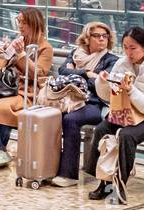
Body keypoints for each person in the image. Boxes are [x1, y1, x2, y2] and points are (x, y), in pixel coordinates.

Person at [85, 26, 144, 200]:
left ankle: (119, 185)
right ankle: (103, 182)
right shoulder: (121, 63)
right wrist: (103, 83)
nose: (128, 52)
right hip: (126, 113)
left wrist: (131, 91)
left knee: (126, 135)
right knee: (102, 129)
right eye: (125, 47)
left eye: (133, 48)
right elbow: (107, 97)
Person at [0, 6, 55, 168]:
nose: (20, 26)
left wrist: (21, 55)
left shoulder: (45, 47)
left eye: (23, 22)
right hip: (8, 89)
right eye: (18, 21)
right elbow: (4, 64)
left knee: (1, 107)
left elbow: (38, 74)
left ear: (33, 23)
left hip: (28, 93)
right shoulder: (19, 41)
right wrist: (1, 53)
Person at [50, 20, 119, 187]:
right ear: (87, 38)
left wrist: (76, 74)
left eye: (105, 36)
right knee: (51, 116)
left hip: (96, 104)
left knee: (70, 120)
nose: (102, 39)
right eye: (97, 36)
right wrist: (86, 73)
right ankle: (50, 166)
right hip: (69, 100)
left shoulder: (111, 60)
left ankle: (68, 174)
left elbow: (100, 85)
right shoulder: (76, 53)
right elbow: (62, 72)